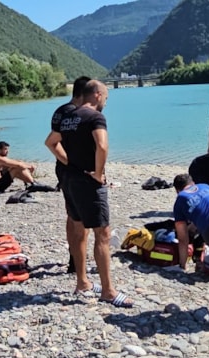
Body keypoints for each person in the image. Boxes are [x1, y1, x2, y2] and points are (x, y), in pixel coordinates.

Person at [45, 80, 134, 308]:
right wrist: (98, 173)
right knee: (102, 233)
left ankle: (82, 282)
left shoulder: (68, 117)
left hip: (69, 179)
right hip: (88, 182)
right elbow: (102, 146)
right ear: (96, 95)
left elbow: (51, 142)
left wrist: (68, 161)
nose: (106, 102)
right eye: (106, 97)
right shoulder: (95, 117)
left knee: (78, 229)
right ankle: (108, 291)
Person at [46, 75, 91, 274]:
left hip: (62, 169)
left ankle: (74, 256)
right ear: (84, 93)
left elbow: (54, 141)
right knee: (82, 217)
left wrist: (63, 160)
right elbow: (54, 142)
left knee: (72, 214)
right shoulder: (76, 113)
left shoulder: (60, 111)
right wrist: (71, 161)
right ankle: (78, 259)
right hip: (74, 170)